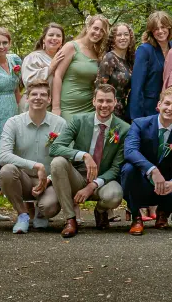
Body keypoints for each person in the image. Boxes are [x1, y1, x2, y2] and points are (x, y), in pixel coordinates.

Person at [49, 83, 130, 237]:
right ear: (93, 101)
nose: (104, 105)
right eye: (100, 100)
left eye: (108, 101)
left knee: (115, 195)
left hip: (103, 180)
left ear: (115, 102)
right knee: (58, 162)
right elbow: (55, 148)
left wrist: (92, 186)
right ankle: (70, 219)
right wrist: (84, 155)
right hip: (77, 176)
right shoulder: (78, 120)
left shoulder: (124, 129)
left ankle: (100, 211)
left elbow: (116, 168)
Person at [0, 81, 67, 233]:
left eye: (43, 95)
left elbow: (66, 157)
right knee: (7, 171)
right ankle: (22, 215)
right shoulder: (13, 123)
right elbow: (3, 156)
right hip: (23, 179)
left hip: (49, 181)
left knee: (50, 207)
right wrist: (35, 166)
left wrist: (49, 179)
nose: (38, 98)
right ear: (27, 98)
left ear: (49, 99)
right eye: (34, 94)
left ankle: (41, 213)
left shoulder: (60, 124)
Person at [122, 86, 172, 235]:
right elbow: (130, 151)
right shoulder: (140, 124)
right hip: (140, 182)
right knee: (128, 169)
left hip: (164, 187)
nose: (169, 108)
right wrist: (152, 170)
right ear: (159, 105)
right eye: (167, 103)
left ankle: (163, 213)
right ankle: (136, 217)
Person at [51, 14, 110, 118]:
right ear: (88, 27)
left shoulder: (97, 53)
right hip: (69, 106)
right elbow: (57, 75)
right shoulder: (71, 47)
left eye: (102, 31)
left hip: (89, 107)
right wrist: (56, 107)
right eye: (95, 28)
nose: (98, 33)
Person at [130, 11, 172, 121]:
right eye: (156, 29)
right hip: (147, 110)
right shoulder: (144, 50)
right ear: (151, 32)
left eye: (163, 27)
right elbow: (137, 86)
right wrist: (136, 118)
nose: (160, 31)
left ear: (169, 28)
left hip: (169, 109)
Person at [96, 22, 135, 120]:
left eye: (126, 34)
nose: (123, 37)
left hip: (123, 110)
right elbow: (99, 87)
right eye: (119, 35)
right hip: (108, 110)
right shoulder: (109, 58)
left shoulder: (129, 60)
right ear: (113, 39)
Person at [22, 22, 64, 88]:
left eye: (58, 36)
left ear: (62, 40)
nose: (54, 38)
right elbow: (28, 82)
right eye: (51, 35)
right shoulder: (33, 57)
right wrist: (50, 68)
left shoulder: (65, 57)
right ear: (44, 39)